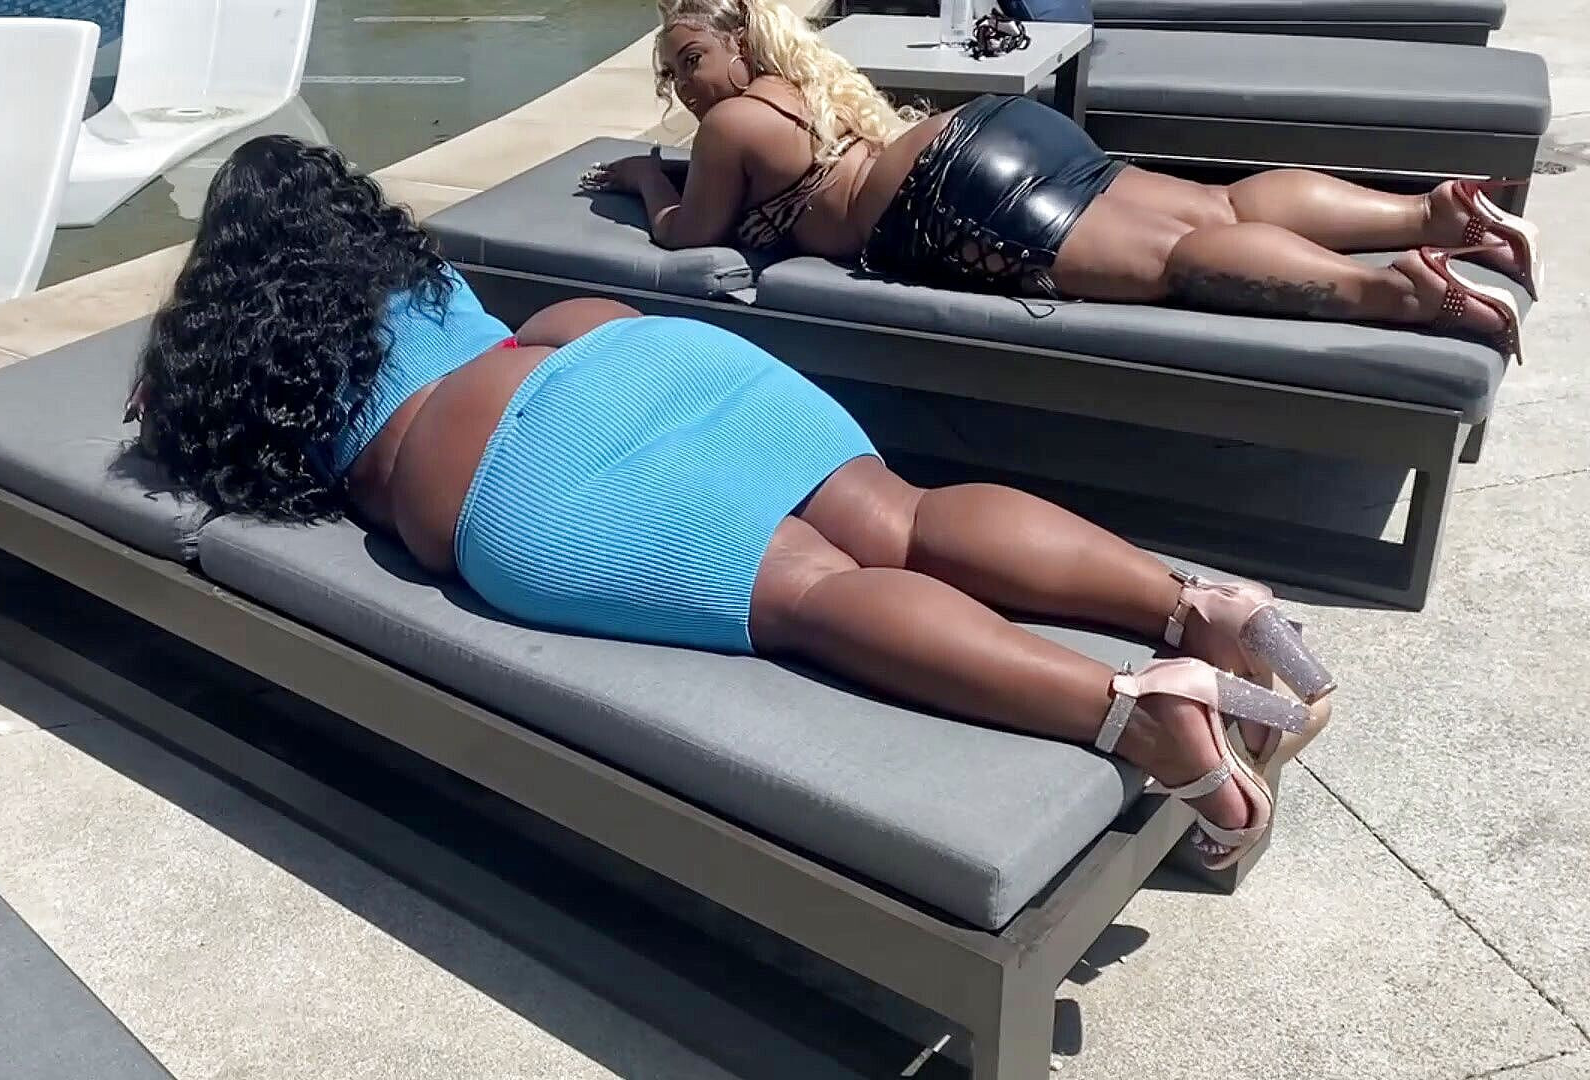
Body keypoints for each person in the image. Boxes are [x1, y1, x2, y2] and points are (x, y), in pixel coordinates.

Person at [135, 135, 1340, 870]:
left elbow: (192, 441)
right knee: (906, 517)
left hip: (509, 456)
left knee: (817, 594)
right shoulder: (419, 271)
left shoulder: (242, 355)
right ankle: (1200, 606)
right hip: (618, 350)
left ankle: (1131, 712)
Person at [584, 0, 1539, 361]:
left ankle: (1397, 293)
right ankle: (1430, 211)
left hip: (952, 197)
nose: (684, 83)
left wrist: (644, 178)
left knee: (1180, 258)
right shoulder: (804, 80)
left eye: (690, 58)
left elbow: (689, 235)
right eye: (671, 72)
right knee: (1220, 202)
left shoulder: (731, 125)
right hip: (995, 137)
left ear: (738, 44)